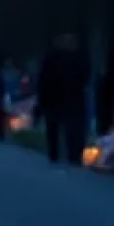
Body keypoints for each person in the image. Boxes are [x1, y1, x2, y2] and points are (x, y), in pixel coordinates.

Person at [39, 34, 92, 165]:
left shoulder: (52, 57)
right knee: (72, 127)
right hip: (70, 97)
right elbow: (84, 76)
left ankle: (57, 153)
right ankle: (73, 154)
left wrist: (42, 98)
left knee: (57, 127)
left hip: (56, 97)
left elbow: (44, 79)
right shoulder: (78, 57)